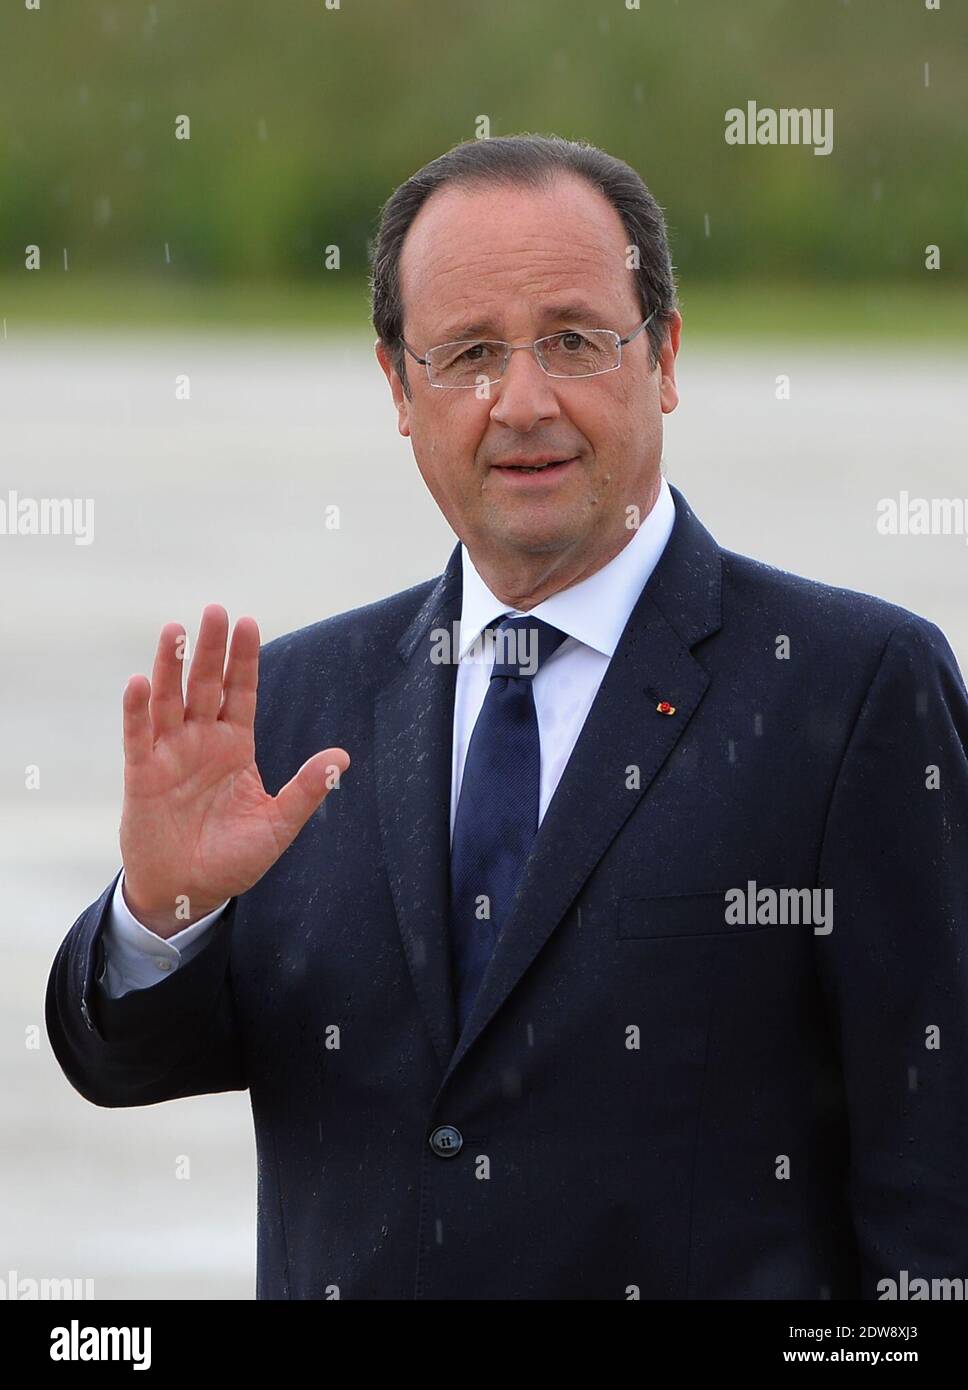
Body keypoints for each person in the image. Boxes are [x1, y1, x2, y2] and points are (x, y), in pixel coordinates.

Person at [46, 133, 968, 1300]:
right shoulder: (292, 706)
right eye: (470, 353)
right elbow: (127, 1066)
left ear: (664, 356)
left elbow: (936, 1175)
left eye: (574, 341)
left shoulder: (852, 689)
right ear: (399, 389)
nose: (522, 402)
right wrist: (162, 912)